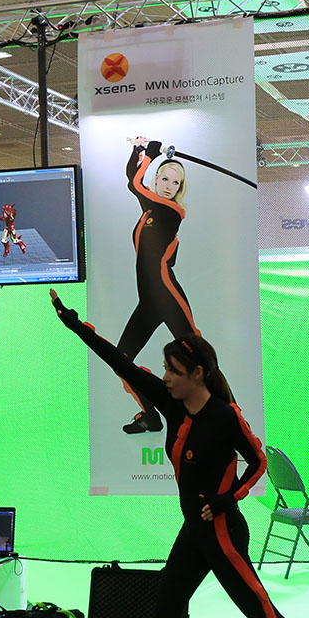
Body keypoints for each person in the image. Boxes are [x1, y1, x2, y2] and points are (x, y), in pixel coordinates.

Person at [49, 289, 309, 618]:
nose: (166, 377)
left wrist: (230, 497)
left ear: (198, 373)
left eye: (174, 370)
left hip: (223, 533)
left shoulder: (225, 416)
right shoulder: (172, 403)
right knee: (166, 612)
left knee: (265, 616)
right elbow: (121, 363)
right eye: (166, 369)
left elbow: (257, 461)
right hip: (194, 532)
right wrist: (76, 326)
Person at [118, 137, 200, 435]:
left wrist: (151, 154)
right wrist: (138, 150)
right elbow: (133, 177)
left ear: (180, 189)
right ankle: (150, 416)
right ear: (156, 180)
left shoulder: (171, 211)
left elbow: (135, 184)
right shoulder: (150, 208)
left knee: (200, 358)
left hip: (167, 294)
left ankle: (221, 417)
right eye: (165, 179)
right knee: (120, 359)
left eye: (175, 183)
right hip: (149, 302)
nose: (169, 186)